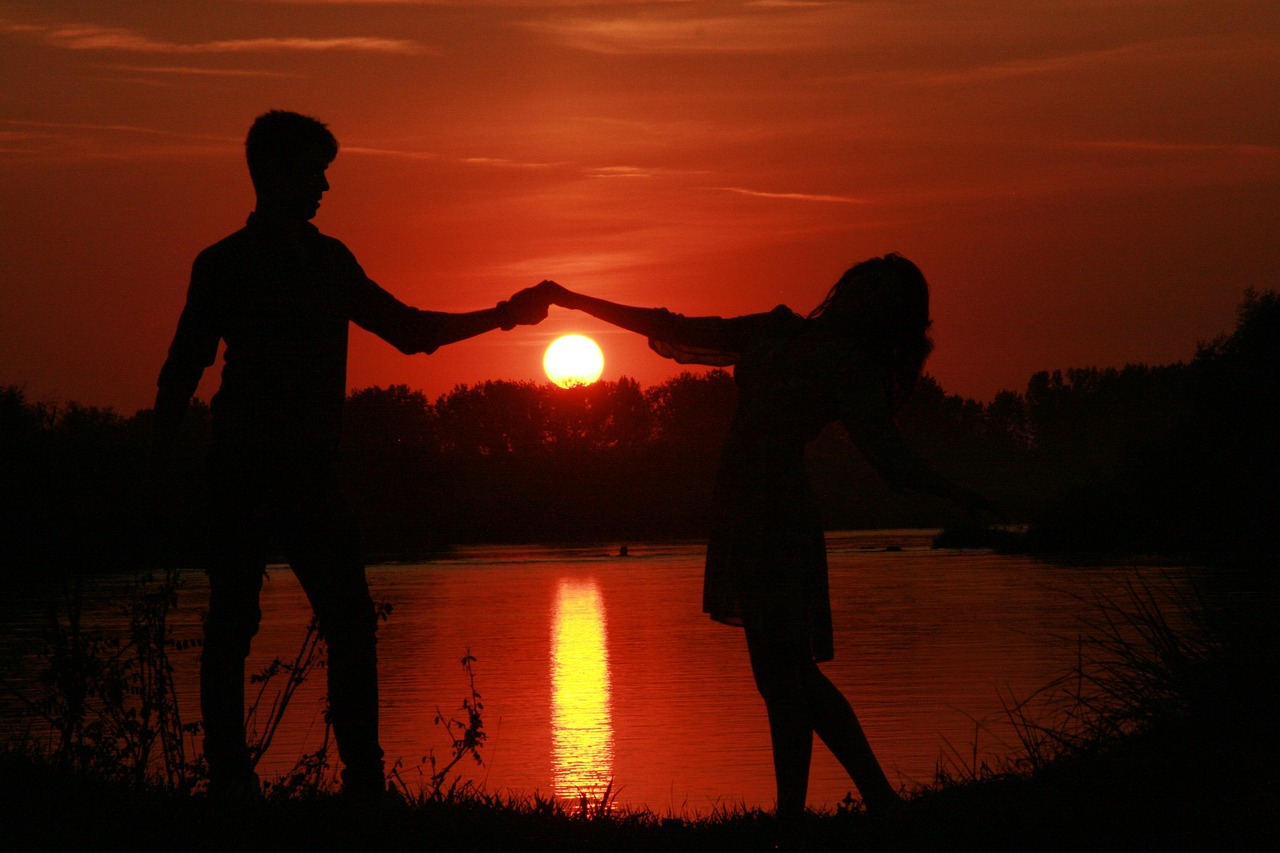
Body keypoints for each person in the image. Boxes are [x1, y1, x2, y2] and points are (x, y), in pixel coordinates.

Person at [152, 110, 550, 800]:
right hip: (250, 470)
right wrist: (161, 468)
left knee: (331, 623)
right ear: (276, 173)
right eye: (314, 171)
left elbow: (409, 332)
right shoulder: (238, 264)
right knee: (248, 624)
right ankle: (245, 783)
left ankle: (352, 781)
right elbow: (182, 371)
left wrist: (503, 317)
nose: (324, 186)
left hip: (302, 474)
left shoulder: (314, 261)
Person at [539, 256, 997, 820]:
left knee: (787, 676)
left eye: (876, 293)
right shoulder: (777, 329)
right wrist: (575, 300)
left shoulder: (850, 369)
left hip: (777, 512)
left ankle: (832, 808)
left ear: (885, 314)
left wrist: (956, 493)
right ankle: (838, 807)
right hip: (740, 508)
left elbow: (891, 458)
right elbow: (674, 326)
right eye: (860, 283)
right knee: (782, 677)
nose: (860, 295)